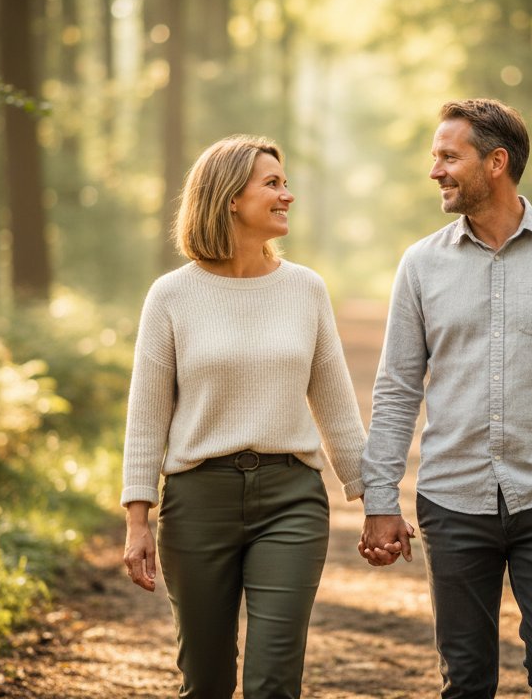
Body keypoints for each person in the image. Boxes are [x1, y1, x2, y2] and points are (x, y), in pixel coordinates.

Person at [358, 99, 532, 698]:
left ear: (497, 162)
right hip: (452, 503)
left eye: (449, 157)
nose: (435, 171)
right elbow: (397, 389)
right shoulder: (421, 264)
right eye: (435, 158)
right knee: (467, 681)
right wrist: (380, 499)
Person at [121, 134, 375, 699]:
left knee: (273, 683)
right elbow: (146, 417)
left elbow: (336, 408)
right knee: (206, 681)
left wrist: (376, 501)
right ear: (230, 197)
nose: (288, 195)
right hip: (197, 503)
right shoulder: (171, 296)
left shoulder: (305, 289)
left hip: (291, 500)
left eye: (285, 183)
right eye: (273, 184)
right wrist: (139, 519)